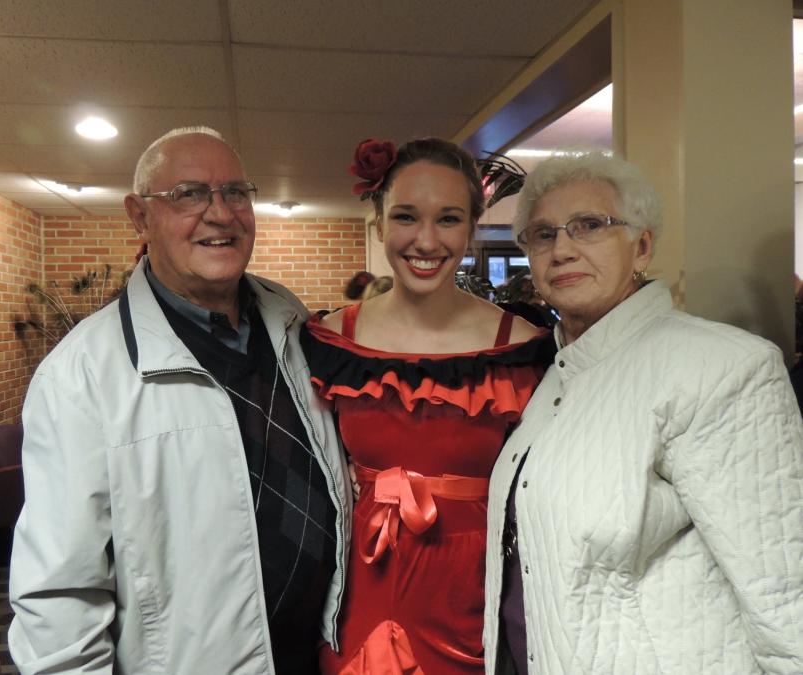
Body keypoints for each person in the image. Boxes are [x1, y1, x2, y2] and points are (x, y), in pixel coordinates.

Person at [8, 126, 351, 675]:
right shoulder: (81, 376)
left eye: (236, 192)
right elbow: (59, 596)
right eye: (189, 194)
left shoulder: (291, 321)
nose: (220, 213)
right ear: (140, 217)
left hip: (321, 654)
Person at [484, 151, 803, 674]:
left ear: (642, 245)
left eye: (590, 226)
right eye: (543, 235)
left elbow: (785, 596)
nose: (562, 248)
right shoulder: (557, 377)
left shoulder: (721, 367)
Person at [302, 138, 555, 673]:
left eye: (448, 219)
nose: (426, 239)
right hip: (362, 583)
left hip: (476, 599)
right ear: (378, 223)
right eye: (406, 216)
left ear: (470, 228)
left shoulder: (522, 345)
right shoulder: (330, 340)